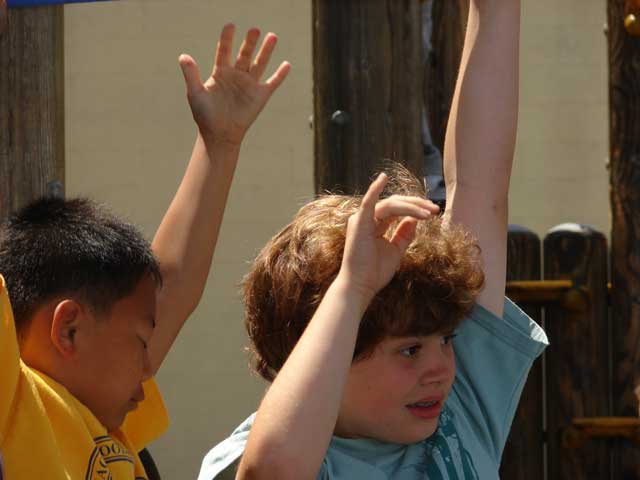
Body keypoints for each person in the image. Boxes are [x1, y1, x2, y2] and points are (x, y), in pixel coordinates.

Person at [198, 1, 548, 479]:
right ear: (322, 348)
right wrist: (353, 287)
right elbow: (270, 471)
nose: (441, 368)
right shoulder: (280, 452)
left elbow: (478, 188)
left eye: (445, 340)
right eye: (409, 350)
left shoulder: (456, 412)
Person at [0, 24, 289, 479]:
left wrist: (219, 145)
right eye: (140, 343)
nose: (149, 366)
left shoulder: (104, 421)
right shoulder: (16, 403)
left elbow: (169, 283)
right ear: (69, 330)